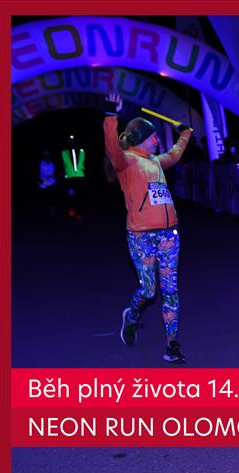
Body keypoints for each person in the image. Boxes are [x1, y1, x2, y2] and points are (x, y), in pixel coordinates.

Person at [102, 92, 192, 363]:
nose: (157, 140)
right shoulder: (126, 161)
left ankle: (172, 345)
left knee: (171, 289)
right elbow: (112, 148)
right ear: (141, 138)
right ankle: (131, 315)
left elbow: (174, 154)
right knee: (149, 290)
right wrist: (111, 115)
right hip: (141, 236)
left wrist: (185, 134)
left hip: (169, 234)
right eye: (153, 137)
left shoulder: (156, 161)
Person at [37, 150, 58, 217]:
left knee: (52, 199)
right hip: (43, 184)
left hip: (52, 183)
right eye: (45, 154)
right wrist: (38, 180)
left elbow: (56, 172)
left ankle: (52, 214)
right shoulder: (40, 163)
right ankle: (45, 213)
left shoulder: (53, 162)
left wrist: (55, 177)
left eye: (47, 154)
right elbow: (38, 172)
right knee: (44, 199)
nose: (46, 156)